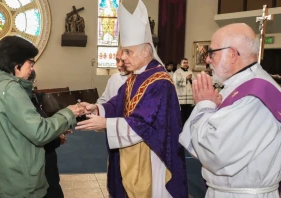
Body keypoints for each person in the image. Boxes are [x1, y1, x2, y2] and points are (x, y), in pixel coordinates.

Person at [75, 1, 188, 198]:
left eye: (129, 51)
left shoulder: (159, 81)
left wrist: (107, 124)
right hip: (133, 150)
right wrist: (96, 109)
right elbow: (118, 103)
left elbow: (145, 122)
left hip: (152, 153)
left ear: (146, 50)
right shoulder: (136, 76)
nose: (124, 57)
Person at [179, 23, 281, 198]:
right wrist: (208, 105)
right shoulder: (236, 86)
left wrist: (205, 105)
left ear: (232, 54)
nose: (208, 60)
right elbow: (194, 145)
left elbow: (214, 154)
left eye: (212, 53)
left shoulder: (255, 95)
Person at [0, 36, 85, 198]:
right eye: (30, 63)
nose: (32, 68)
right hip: (17, 180)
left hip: (4, 174)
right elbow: (39, 132)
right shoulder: (11, 89)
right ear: (16, 64)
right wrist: (69, 112)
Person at [27, 70, 67, 198]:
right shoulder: (21, 99)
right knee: (50, 189)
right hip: (36, 157)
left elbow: (42, 120)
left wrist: (57, 131)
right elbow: (36, 131)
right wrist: (56, 135)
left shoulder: (32, 96)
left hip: (45, 152)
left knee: (52, 185)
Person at [173, 58, 194, 125]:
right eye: (184, 62)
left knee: (189, 113)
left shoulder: (190, 72)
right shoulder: (177, 72)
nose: (185, 64)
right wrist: (186, 78)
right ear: (181, 64)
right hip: (181, 97)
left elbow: (194, 81)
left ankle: (187, 126)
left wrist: (191, 80)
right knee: (182, 114)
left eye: (186, 62)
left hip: (189, 97)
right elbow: (177, 83)